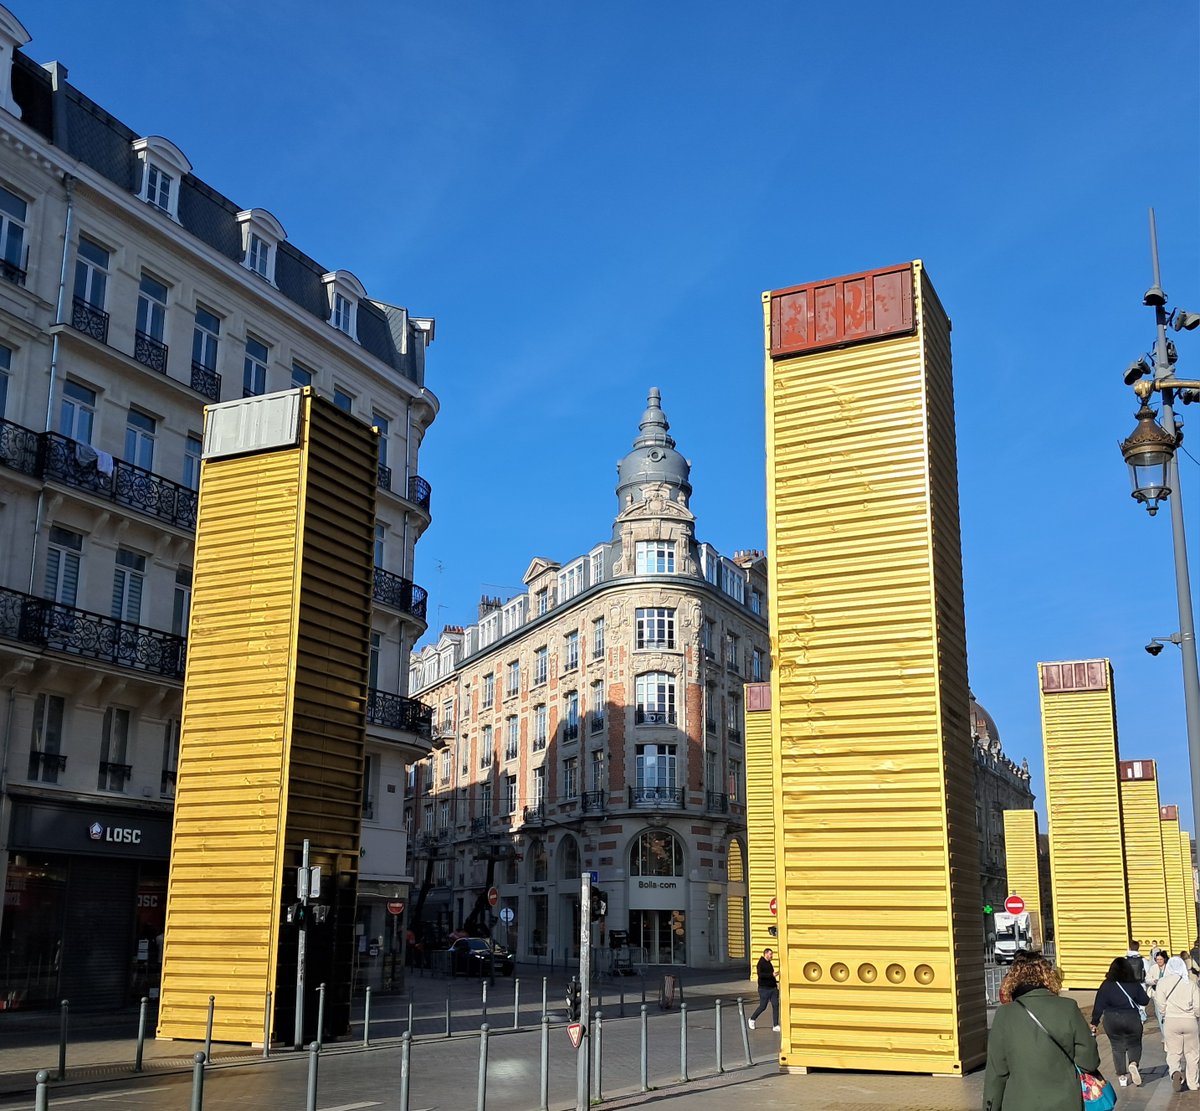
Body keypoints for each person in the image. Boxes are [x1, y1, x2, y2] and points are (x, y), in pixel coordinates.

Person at [983, 952, 1099, 1110]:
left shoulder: (1005, 1014)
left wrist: (990, 1106)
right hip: (1065, 1103)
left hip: (1019, 1104)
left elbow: (997, 1073)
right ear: (1048, 977)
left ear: (1012, 980)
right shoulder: (1068, 1008)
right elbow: (1089, 1062)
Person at [1090, 955, 1151, 1087]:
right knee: (1135, 1044)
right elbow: (1144, 1001)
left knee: (1117, 1047)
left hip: (1111, 1019)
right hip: (1131, 1018)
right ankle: (1133, 1063)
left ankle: (1122, 1077)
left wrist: (1094, 1022)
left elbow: (1099, 1004)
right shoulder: (1133, 984)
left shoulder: (1106, 985)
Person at [1156, 955, 1200, 1091]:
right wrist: (1196, 1016)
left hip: (1171, 1020)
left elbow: (1159, 1003)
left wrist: (1165, 1012)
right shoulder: (1191, 983)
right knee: (1192, 1054)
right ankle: (1193, 1083)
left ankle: (1175, 1072)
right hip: (1189, 1021)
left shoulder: (1162, 983)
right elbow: (1198, 1005)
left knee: (1173, 1052)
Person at [748, 947, 779, 1031]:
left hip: (772, 988)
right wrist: (771, 975)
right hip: (764, 989)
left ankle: (776, 1025)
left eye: (772, 954)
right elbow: (761, 975)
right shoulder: (761, 963)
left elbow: (770, 975)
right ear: (765, 954)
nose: (772, 956)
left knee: (775, 1005)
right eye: (770, 954)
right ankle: (752, 1019)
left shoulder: (769, 963)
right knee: (763, 1006)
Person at [1147, 949, 1170, 1037]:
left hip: (1168, 994)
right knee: (1159, 1015)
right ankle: (1164, 1035)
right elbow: (1147, 979)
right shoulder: (1153, 968)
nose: (1159, 961)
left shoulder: (1168, 968)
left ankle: (1169, 1033)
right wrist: (1154, 981)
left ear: (1164, 959)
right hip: (1156, 993)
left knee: (1167, 1015)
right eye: (1157, 960)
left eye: (1161, 959)